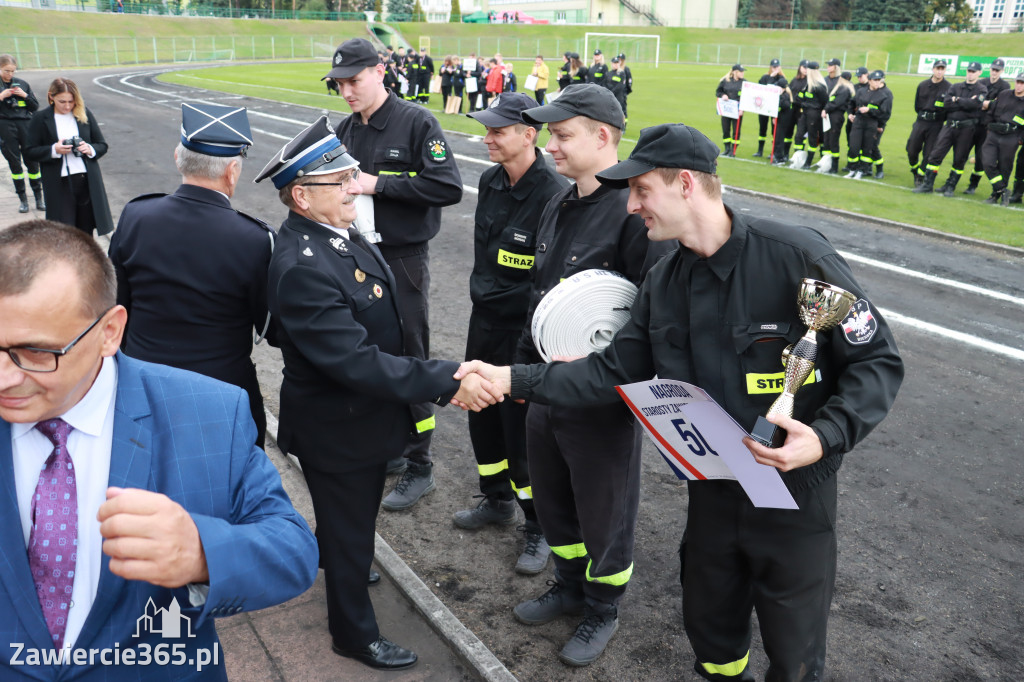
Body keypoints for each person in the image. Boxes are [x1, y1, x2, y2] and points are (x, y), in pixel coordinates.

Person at [457, 122, 904, 682]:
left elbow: (877, 361)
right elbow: (612, 372)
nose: (631, 207)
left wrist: (827, 434)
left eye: (642, 191)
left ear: (686, 184)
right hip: (713, 493)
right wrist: (511, 379)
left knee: (795, 654)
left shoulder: (796, 256)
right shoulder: (664, 280)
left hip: (794, 499)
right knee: (712, 636)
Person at [0, 219, 319, 679]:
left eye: (35, 352)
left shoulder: (211, 412)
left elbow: (293, 551)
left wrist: (202, 553)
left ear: (109, 331)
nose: (7, 378)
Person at [257, 117, 499, 671]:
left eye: (351, 175)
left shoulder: (335, 235)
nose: (353, 185)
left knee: (354, 526)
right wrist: (448, 378)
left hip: (359, 419)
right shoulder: (303, 265)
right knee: (347, 537)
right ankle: (354, 635)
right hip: (337, 427)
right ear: (301, 196)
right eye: (339, 180)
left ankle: (348, 580)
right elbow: (355, 362)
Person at [509, 84, 676, 667]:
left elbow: (643, 320)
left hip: (600, 399)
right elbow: (541, 296)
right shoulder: (558, 202)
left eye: (561, 135)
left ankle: (603, 606)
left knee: (604, 509)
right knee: (556, 499)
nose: (549, 145)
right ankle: (568, 584)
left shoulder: (634, 214)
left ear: (603, 136)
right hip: (546, 387)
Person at [326, 38, 464, 510]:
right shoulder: (344, 129)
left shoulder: (416, 121)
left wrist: (377, 184)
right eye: (340, 84)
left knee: (411, 353)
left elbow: (448, 185)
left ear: (380, 71)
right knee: (372, 350)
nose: (347, 91)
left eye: (355, 80)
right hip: (357, 257)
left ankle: (420, 463)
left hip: (403, 259)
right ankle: (391, 448)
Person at [107, 103, 276, 449]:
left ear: (176, 157)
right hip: (222, 393)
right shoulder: (255, 239)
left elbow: (117, 303)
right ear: (232, 171)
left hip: (142, 385)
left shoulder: (136, 215)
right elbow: (268, 327)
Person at [456, 93, 569, 575]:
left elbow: (547, 277)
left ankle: (538, 526)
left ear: (530, 134)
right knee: (479, 413)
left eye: (498, 131)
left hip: (522, 334)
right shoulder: (489, 179)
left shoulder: (553, 194)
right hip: (483, 320)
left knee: (521, 433)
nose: (487, 139)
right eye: (486, 129)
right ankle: (496, 498)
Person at [25, 78, 112, 237]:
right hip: (59, 183)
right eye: (62, 101)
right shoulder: (40, 118)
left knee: (86, 231)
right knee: (64, 232)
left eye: (71, 101)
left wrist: (89, 148)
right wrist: (54, 149)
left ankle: (86, 261)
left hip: (86, 180)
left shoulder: (83, 113)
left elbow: (102, 145)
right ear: (51, 97)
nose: (67, 106)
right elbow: (29, 151)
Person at [915, 61, 988, 196]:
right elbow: (946, 104)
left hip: (966, 129)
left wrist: (957, 100)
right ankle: (927, 184)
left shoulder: (982, 89)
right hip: (949, 126)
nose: (970, 73)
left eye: (973, 71)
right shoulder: (955, 86)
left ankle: (950, 187)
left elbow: (975, 104)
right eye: (969, 71)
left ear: (979, 73)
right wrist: (964, 102)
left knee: (959, 159)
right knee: (935, 155)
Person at [0, 55, 44, 214]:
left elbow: (35, 107)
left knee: (33, 162)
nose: (9, 74)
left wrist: (24, 96)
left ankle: (39, 198)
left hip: (25, 125)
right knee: (15, 164)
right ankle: (23, 200)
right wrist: (1, 96)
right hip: (5, 126)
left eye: (12, 71)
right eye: (6, 71)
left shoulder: (23, 84)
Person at [965, 58, 1011, 195]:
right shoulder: (982, 82)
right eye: (993, 69)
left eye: (997, 70)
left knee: (980, 157)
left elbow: (998, 105)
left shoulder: (1005, 86)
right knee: (962, 153)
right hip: (973, 122)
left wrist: (984, 103)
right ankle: (952, 182)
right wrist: (986, 103)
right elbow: (974, 101)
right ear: (989, 69)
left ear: (1002, 71)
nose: (994, 72)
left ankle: (973, 185)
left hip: (988, 127)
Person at [980, 72, 1024, 205]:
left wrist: (1020, 139)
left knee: (1005, 167)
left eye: (1022, 83)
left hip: (1012, 137)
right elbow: (991, 110)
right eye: (1018, 82)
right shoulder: (1004, 94)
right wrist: (988, 126)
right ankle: (1002, 189)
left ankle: (995, 196)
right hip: (993, 134)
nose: (1019, 85)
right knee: (987, 162)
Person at [907, 59, 952, 186]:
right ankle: (915, 170)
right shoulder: (922, 85)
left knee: (929, 153)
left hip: (936, 124)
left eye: (942, 69)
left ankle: (920, 176)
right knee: (911, 149)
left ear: (945, 70)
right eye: (938, 68)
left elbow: (948, 109)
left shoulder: (949, 87)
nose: (939, 71)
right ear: (933, 69)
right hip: (921, 121)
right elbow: (917, 106)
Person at [845, 70, 892, 180]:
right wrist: (850, 114)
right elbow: (852, 102)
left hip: (872, 123)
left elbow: (884, 113)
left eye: (878, 80)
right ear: (869, 81)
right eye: (874, 80)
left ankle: (863, 171)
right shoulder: (861, 91)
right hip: (858, 122)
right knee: (853, 146)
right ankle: (852, 169)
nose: (877, 83)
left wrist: (870, 111)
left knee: (868, 148)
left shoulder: (884, 94)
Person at [791, 61, 827, 168]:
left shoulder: (819, 86)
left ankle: (808, 162)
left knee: (812, 137)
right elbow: (800, 97)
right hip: (805, 112)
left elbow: (825, 101)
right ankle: (798, 158)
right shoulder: (808, 84)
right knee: (799, 135)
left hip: (814, 114)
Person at [820, 71, 855, 174]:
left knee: (833, 140)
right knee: (827, 139)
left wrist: (826, 109)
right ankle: (827, 163)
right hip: (831, 115)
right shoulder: (841, 88)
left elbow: (836, 103)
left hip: (836, 115)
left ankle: (834, 166)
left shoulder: (844, 89)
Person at [755, 58, 787, 159]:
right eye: (773, 67)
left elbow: (772, 88)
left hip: (774, 108)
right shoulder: (765, 77)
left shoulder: (782, 78)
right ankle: (760, 150)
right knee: (762, 129)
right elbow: (761, 89)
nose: (775, 69)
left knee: (774, 130)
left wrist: (772, 77)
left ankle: (774, 151)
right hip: (764, 107)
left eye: (777, 67)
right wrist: (770, 77)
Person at [715, 64, 745, 157]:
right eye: (741, 71)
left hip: (737, 111)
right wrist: (723, 95)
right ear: (735, 72)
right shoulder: (726, 81)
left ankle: (733, 150)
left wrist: (742, 109)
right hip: (726, 110)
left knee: (736, 130)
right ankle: (727, 148)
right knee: (726, 129)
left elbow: (747, 98)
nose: (742, 73)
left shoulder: (744, 83)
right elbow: (718, 91)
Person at [616, 53, 633, 120]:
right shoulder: (616, 69)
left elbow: (629, 81)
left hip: (622, 93)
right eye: (618, 59)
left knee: (623, 109)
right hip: (616, 93)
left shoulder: (626, 69)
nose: (619, 61)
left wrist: (626, 91)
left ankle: (624, 124)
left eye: (620, 60)